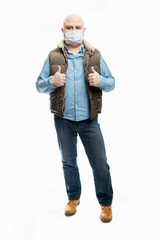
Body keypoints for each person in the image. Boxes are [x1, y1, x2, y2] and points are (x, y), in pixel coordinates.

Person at [36, 13, 115, 223]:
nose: (73, 31)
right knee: (68, 162)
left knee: (100, 163)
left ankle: (105, 203)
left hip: (89, 120)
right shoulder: (53, 56)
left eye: (77, 27)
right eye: (69, 28)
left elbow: (112, 82)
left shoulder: (95, 55)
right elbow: (39, 85)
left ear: (84, 30)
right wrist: (52, 81)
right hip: (63, 119)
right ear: (63, 31)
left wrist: (100, 81)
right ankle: (73, 198)